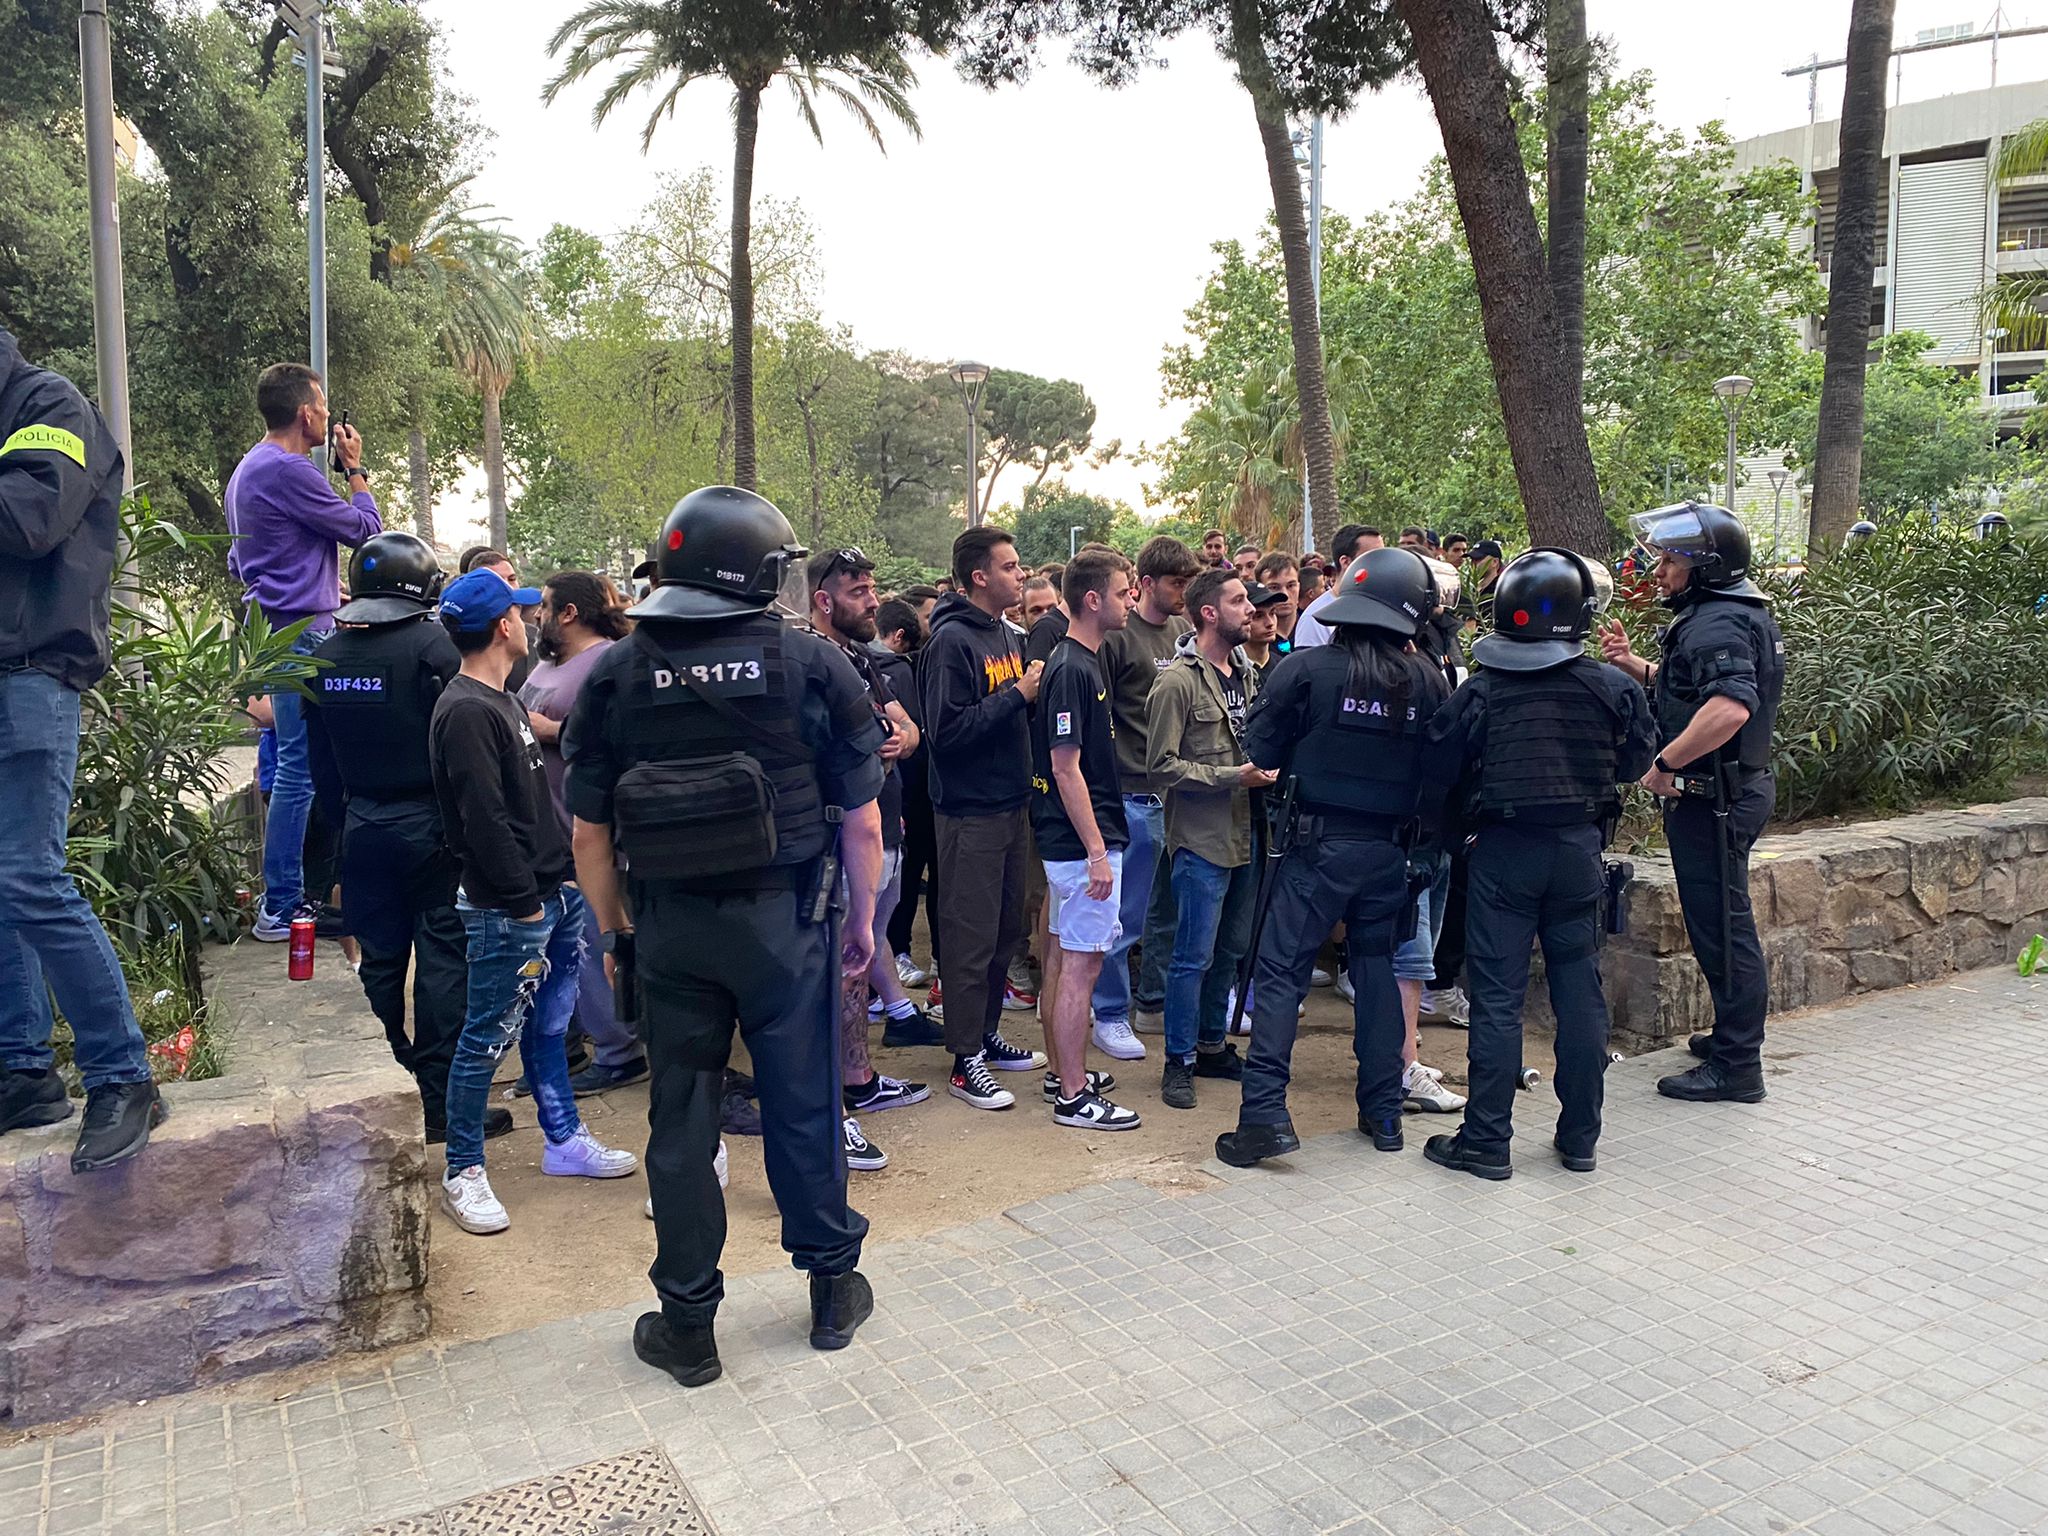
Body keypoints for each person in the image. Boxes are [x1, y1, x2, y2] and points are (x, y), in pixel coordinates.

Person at [565, 485, 886, 1386]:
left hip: (670, 929)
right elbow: (862, 824)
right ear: (760, 570)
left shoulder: (618, 672)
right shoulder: (811, 664)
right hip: (788, 922)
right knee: (804, 1105)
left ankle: (689, 1326)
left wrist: (617, 928)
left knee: (682, 1120)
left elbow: (588, 834)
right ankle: (830, 1295)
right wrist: (860, 923)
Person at [1420, 549, 1656, 1179]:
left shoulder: (1483, 690)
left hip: (1502, 853)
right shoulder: (1614, 688)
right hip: (1580, 852)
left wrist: (1453, 838)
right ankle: (1580, 1138)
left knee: (1496, 999)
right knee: (1580, 992)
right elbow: (1637, 765)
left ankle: (1486, 1143)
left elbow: (1438, 772)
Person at [1215, 547, 1452, 1168]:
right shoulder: (1429, 678)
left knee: (1280, 974)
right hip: (1389, 854)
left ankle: (1264, 1114)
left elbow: (1261, 750)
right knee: (1375, 974)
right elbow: (1444, 772)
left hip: (1314, 849)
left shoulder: (1305, 670)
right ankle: (1382, 1115)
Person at [429, 569, 639, 1236]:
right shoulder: (466, 710)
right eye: (519, 612)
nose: (528, 619)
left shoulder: (504, 699)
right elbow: (482, 820)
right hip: (509, 908)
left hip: (552, 896)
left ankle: (562, 1138)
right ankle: (463, 1168)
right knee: (485, 1038)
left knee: (549, 1028)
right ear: (502, 627)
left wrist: (563, 888)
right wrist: (522, 904)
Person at [0, 325, 162, 1171]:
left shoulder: (44, 404)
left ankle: (123, 1073)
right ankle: (22, 1072)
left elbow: (29, 517)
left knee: (29, 874)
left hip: (29, 673)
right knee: (5, 882)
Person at [302, 532, 511, 1146]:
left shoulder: (326, 655)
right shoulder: (435, 648)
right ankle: (440, 1104)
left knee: (381, 960)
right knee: (445, 959)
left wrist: (343, 833)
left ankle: (382, 1092)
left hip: (362, 825)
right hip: (432, 827)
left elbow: (321, 767)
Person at [1599, 502, 1784, 1104]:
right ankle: (1732, 1038)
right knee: (1719, 926)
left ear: (1703, 564)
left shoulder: (1714, 622)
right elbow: (1696, 689)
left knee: (1724, 932)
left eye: (1670, 558)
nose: (1659, 569)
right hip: (1731, 791)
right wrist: (1639, 668)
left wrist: (1665, 764)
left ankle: (1737, 1066)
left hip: (1714, 799)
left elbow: (1730, 707)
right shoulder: (1727, 611)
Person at [225, 362, 382, 940]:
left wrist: (316, 588)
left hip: (275, 626)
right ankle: (283, 905)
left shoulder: (247, 469)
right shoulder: (290, 470)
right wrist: (356, 468)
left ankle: (295, 895)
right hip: (302, 635)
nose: (327, 414)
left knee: (299, 763)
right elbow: (367, 531)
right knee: (299, 768)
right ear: (305, 413)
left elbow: (241, 561)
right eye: (323, 404)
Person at [804, 545, 930, 1171]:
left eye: (873, 588)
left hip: (878, 831)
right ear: (824, 600)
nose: (874, 601)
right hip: (831, 841)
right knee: (832, 973)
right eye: (858, 591)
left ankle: (858, 1081)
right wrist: (882, 737)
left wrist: (898, 736)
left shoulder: (861, 658)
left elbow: (908, 730)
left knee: (858, 964)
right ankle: (833, 1114)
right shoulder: (812, 660)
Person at [920, 527, 1048, 1113]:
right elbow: (944, 735)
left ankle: (986, 1035)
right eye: (1010, 566)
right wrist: (1017, 695)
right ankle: (964, 1058)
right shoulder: (950, 642)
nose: (1020, 575)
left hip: (1010, 804)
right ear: (979, 576)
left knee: (1004, 935)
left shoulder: (1004, 633)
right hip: (968, 814)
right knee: (969, 939)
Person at [1147, 569, 1275, 1109]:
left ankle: (1211, 1045)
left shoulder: (1245, 674)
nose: (1251, 610)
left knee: (1231, 950)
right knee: (1191, 956)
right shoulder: (1176, 681)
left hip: (1247, 832)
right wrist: (1231, 778)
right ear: (1207, 612)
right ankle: (1178, 1061)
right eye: (1239, 600)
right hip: (1201, 839)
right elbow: (1160, 766)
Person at [519, 570, 647, 1095]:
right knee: (561, 951)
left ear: (570, 612)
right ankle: (575, 1043)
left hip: (589, 833)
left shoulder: (606, 663)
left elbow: (623, 737)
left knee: (598, 943)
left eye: (545, 607)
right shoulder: (548, 663)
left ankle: (620, 1050)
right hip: (545, 832)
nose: (537, 617)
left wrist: (547, 729)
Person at [1030, 550, 1144, 1131]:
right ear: (1093, 599)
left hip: (1075, 841)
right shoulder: (1072, 667)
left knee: (1062, 958)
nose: (1131, 601)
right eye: (1124, 592)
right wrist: (1098, 851)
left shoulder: (1082, 661)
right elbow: (1065, 767)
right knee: (1081, 966)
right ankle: (1074, 1096)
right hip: (1080, 844)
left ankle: (1062, 1073)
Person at [1088, 535, 1199, 1057]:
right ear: (1146, 583)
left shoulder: (1183, 631)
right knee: (1123, 919)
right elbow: (1098, 719)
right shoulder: (1117, 636)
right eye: (1177, 582)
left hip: (1174, 796)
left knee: (1168, 914)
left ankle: (1151, 1004)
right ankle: (1110, 1012)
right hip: (1131, 794)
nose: (1185, 592)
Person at [878, 599, 940, 989]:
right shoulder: (889, 671)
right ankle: (898, 954)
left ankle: (924, 955)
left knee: (914, 876)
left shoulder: (908, 666)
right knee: (903, 879)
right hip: (905, 795)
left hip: (919, 794)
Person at [1290, 525, 1381, 649]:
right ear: (1346, 562)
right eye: (1373, 557)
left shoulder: (1382, 610)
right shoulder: (1314, 618)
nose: (1381, 563)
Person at [1253, 552, 1301, 655]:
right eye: (1274, 587)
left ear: (1299, 587)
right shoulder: (1253, 640)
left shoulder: (1312, 627)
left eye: (1291, 586)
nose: (1285, 594)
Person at [1239, 580, 1287, 680]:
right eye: (1258, 616)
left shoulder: (1284, 667)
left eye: (1272, 613)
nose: (1270, 623)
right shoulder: (1232, 670)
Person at [1466, 540, 1505, 626]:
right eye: (1472, 559)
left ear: (1495, 562)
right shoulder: (1469, 590)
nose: (1473, 563)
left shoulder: (1502, 591)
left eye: (1478, 559)